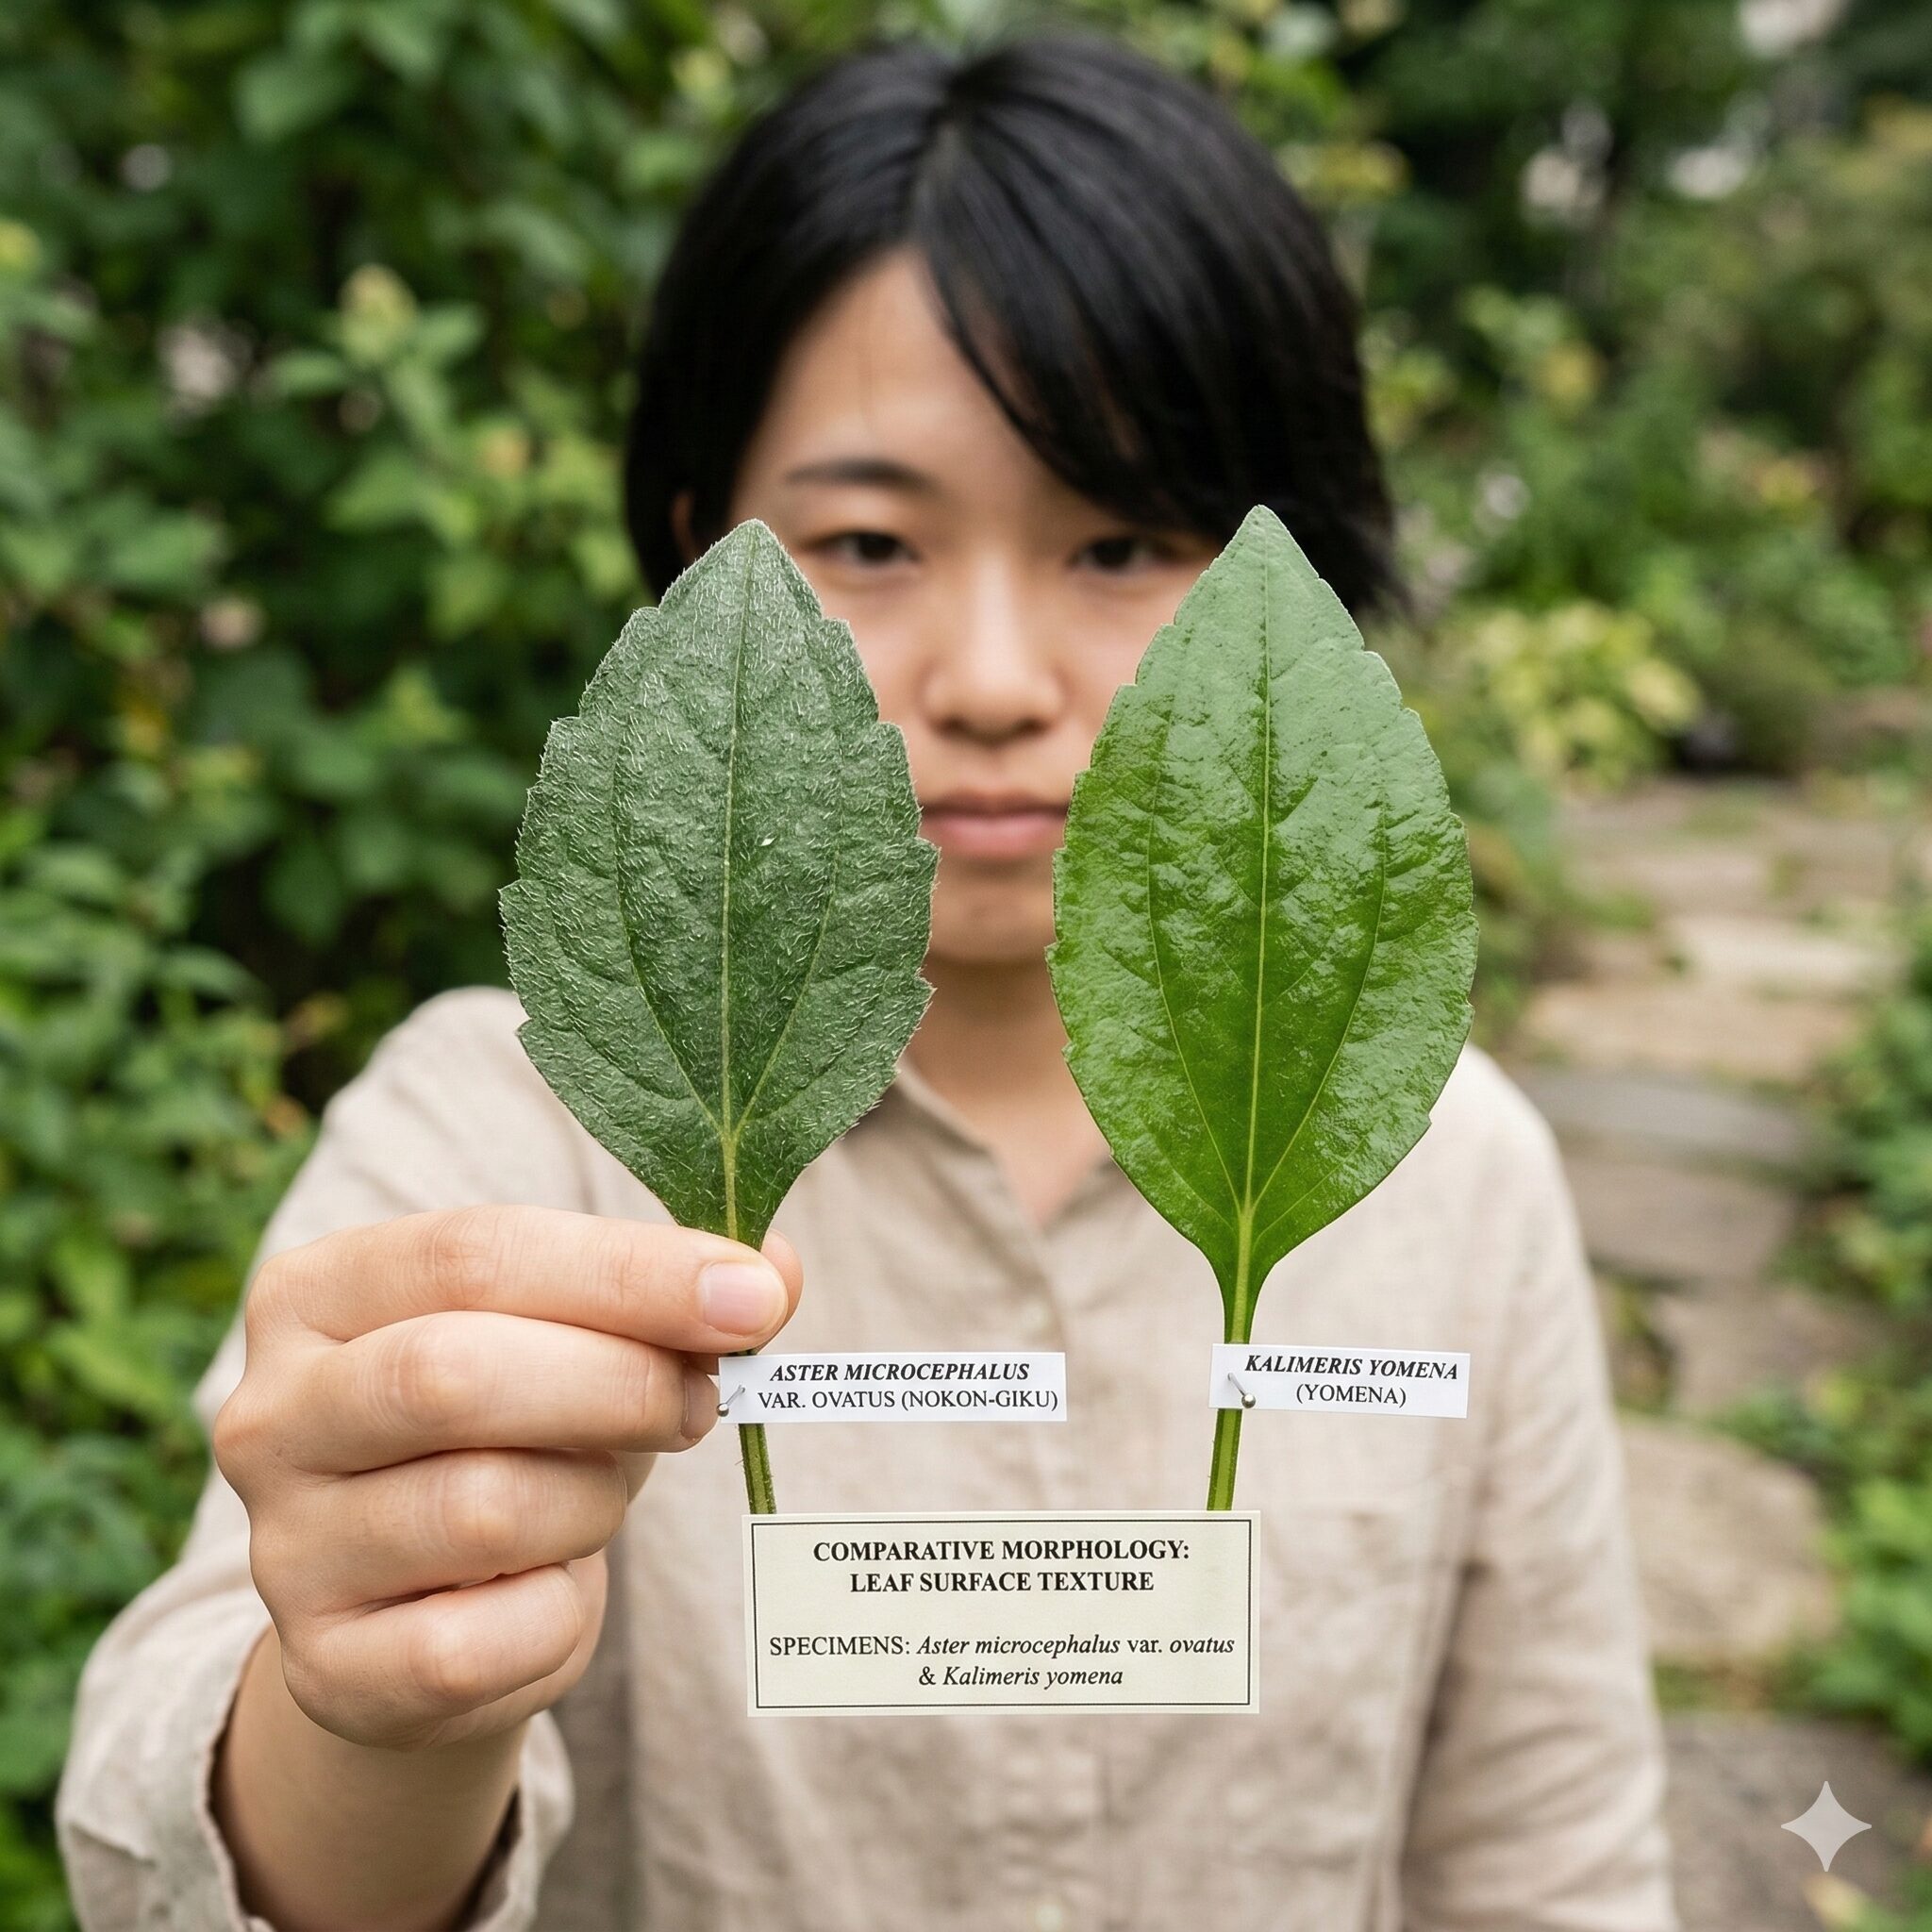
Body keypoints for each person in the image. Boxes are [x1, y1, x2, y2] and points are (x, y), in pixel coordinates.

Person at [58, 32, 1675, 1932]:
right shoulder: (509, 1140)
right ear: (703, 554)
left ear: (1279, 577)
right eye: (871, 539)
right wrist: (377, 1690)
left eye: (1121, 538)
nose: (992, 677)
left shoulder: (1445, 1176)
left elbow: (1552, 1855)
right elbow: (165, 1834)